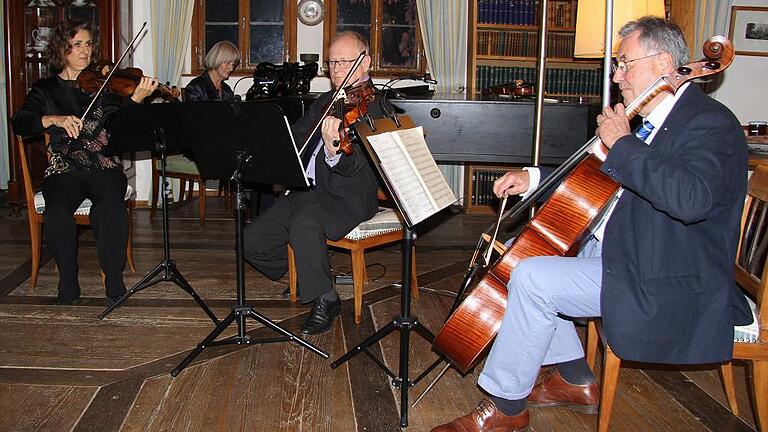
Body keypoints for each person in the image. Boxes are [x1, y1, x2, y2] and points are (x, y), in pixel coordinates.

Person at [432, 16, 752, 432]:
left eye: (624, 63)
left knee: (532, 277)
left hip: (665, 272)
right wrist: (534, 178)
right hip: (626, 247)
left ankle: (507, 407)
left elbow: (690, 201)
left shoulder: (710, 123)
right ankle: (576, 378)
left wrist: (622, 143)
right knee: (539, 251)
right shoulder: (655, 118)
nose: (617, 76)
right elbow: (599, 178)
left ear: (664, 64)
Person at [243, 31, 387, 335]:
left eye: (344, 62)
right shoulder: (325, 101)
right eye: (331, 62)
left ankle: (326, 297)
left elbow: (354, 165)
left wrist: (335, 151)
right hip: (308, 191)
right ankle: (309, 275)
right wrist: (267, 141)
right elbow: (295, 136)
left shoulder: (377, 109)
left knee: (303, 224)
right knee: (251, 241)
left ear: (365, 63)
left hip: (348, 198)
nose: (335, 69)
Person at [11, 21, 158, 306]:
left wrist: (136, 101)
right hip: (65, 167)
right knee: (56, 211)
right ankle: (68, 281)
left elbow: (122, 129)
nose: (85, 50)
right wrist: (53, 119)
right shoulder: (45, 89)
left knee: (110, 205)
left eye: (88, 44)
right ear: (61, 49)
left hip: (102, 164)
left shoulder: (107, 86)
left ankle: (114, 280)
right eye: (77, 44)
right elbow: (20, 122)